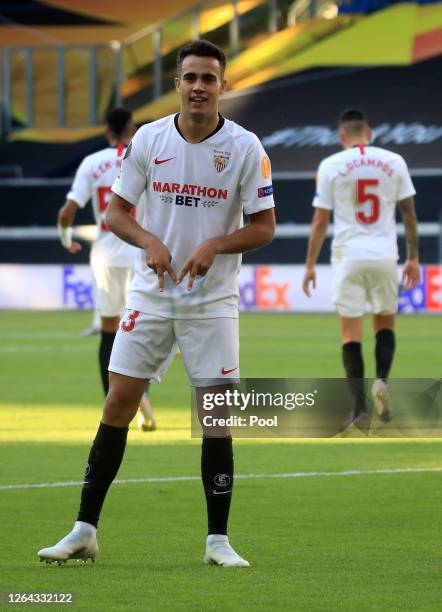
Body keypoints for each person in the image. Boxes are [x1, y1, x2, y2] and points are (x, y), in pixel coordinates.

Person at [38, 39, 275, 567]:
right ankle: (83, 530)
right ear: (177, 84)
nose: (198, 87)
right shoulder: (147, 139)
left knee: (217, 417)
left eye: (208, 78)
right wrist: (148, 240)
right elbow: (117, 214)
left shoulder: (245, 147)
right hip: (152, 294)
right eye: (190, 77)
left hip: (212, 301)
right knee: (118, 403)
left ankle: (218, 541)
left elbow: (264, 227)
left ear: (223, 86)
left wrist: (215, 244)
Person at [302, 109, 420, 431]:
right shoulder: (394, 161)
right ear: (369, 135)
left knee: (350, 333)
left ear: (342, 137)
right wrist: (413, 258)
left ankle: (359, 411)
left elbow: (320, 221)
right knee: (385, 324)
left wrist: (310, 265)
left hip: (347, 256)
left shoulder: (330, 166)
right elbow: (408, 214)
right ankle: (381, 381)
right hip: (384, 255)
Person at [56, 107, 157, 431]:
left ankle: (114, 405)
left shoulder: (92, 163)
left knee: (109, 330)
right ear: (132, 128)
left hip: (105, 255)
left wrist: (65, 238)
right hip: (141, 251)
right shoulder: (148, 155)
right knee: (139, 330)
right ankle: (141, 401)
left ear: (106, 132)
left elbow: (66, 213)